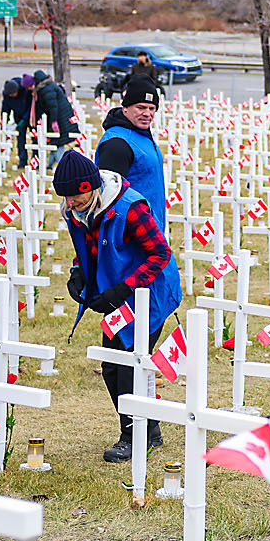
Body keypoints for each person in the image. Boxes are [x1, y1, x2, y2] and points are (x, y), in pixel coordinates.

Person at [55, 150, 183, 463]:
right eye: (66, 198)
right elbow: (86, 247)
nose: (69, 204)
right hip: (118, 296)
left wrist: (124, 288)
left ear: (91, 188)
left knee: (129, 367)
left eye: (75, 197)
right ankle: (148, 428)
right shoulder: (75, 210)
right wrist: (78, 273)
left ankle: (134, 437)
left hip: (148, 293)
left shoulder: (129, 208)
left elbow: (160, 254)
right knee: (112, 367)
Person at [96, 79, 173, 231]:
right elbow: (109, 198)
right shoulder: (117, 144)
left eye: (152, 108)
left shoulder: (140, 134)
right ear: (125, 108)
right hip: (133, 233)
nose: (147, 113)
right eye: (141, 107)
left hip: (150, 226)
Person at [30, 69, 78, 166]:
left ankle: (60, 164)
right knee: (54, 141)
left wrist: (53, 122)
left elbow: (53, 107)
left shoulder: (47, 90)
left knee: (58, 141)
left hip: (60, 120)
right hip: (60, 118)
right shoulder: (47, 87)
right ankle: (51, 163)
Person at [0, 74, 34, 168]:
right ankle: (22, 161)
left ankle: (36, 161)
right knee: (20, 140)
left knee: (35, 139)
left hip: (30, 116)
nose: (11, 96)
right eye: (10, 95)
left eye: (13, 94)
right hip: (18, 117)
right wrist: (4, 121)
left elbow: (32, 106)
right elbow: (5, 108)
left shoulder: (26, 90)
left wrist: (25, 119)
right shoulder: (7, 95)